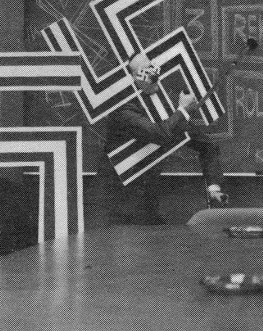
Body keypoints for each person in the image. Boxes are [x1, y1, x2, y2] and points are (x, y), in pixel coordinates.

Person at [91, 52, 230, 226]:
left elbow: (207, 146)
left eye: (152, 68)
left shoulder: (161, 110)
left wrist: (214, 189)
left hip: (146, 207)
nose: (153, 75)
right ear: (131, 79)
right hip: (114, 206)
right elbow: (159, 134)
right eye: (144, 72)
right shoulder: (123, 109)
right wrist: (183, 110)